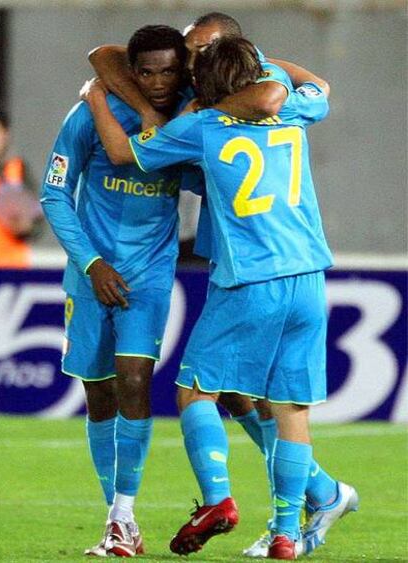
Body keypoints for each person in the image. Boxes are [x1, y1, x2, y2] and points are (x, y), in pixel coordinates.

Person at [80, 36, 359, 560]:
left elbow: (122, 152)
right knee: (289, 406)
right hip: (310, 276)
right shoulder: (294, 110)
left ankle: (216, 501)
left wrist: (96, 98)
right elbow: (316, 85)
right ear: (256, 74)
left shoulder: (201, 128)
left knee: (195, 391)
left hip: (250, 277)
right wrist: (268, 70)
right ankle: (285, 533)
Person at [40, 25, 195, 558]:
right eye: (147, 71)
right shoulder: (89, 115)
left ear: (183, 71)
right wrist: (91, 262)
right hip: (91, 274)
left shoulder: (189, 120)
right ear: (131, 71)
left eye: (168, 71)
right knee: (99, 391)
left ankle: (123, 514)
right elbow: (54, 193)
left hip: (150, 273)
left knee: (134, 378)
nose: (158, 82)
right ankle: (118, 519)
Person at [0, 109, 42, 268]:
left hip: (10, 270)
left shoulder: (18, 170)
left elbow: (37, 224)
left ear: (5, 134)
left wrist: (25, 226)